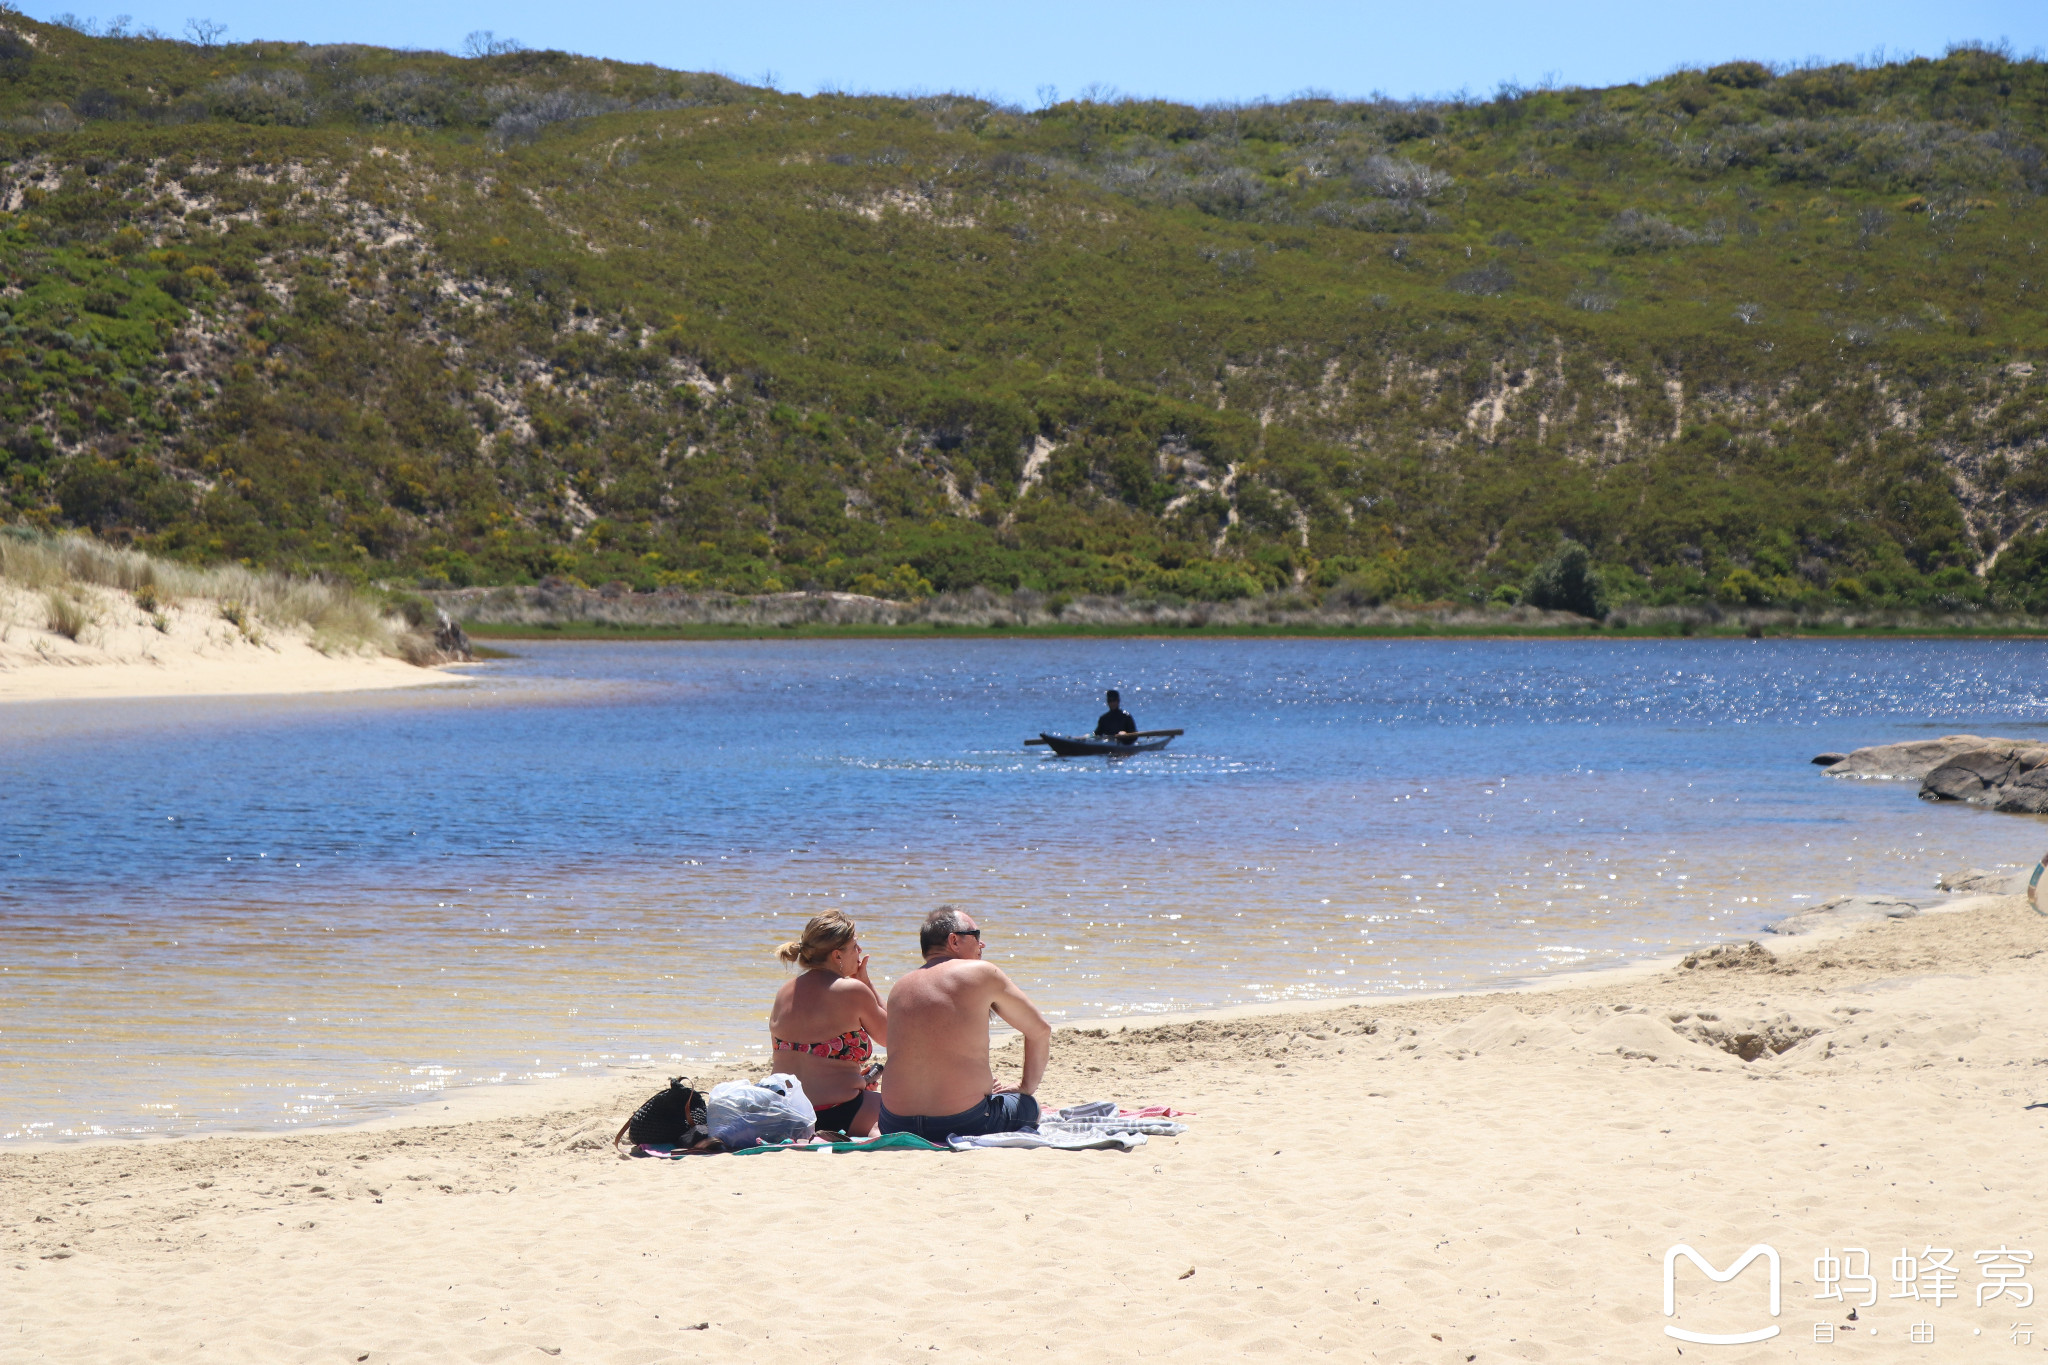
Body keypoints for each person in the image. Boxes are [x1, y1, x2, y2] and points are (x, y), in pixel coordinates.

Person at [878, 906, 1052, 1140]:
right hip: (964, 1121)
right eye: (976, 935)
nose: (982, 944)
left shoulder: (900, 987)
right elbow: (1040, 1030)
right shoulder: (981, 973)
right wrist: (1024, 1088)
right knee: (1030, 1106)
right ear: (954, 941)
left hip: (894, 1123)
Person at [768, 911, 889, 1137]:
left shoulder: (784, 991)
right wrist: (866, 983)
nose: (859, 951)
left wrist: (856, 1079)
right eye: (854, 946)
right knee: (901, 1107)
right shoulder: (852, 990)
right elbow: (893, 1036)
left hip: (787, 1112)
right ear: (837, 955)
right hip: (838, 1111)